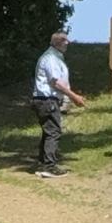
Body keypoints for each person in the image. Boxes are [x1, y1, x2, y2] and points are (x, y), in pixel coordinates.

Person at [30, 31, 89, 177]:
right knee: (54, 131)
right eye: (64, 40)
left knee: (49, 131)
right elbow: (55, 82)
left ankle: (43, 163)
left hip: (45, 100)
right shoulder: (51, 58)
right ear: (56, 42)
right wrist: (74, 96)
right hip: (47, 100)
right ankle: (49, 166)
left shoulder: (54, 57)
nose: (67, 43)